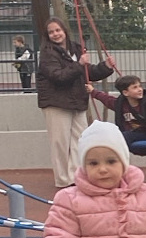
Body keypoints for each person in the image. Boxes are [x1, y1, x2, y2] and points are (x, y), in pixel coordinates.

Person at [35, 17, 114, 189]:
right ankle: (63, 179)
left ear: (64, 31)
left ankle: (75, 175)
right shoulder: (48, 54)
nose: (55, 34)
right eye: (51, 32)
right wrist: (79, 64)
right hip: (56, 103)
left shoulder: (76, 48)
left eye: (58, 30)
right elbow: (58, 76)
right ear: (47, 36)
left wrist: (105, 67)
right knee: (60, 143)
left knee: (80, 139)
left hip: (77, 100)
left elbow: (87, 72)